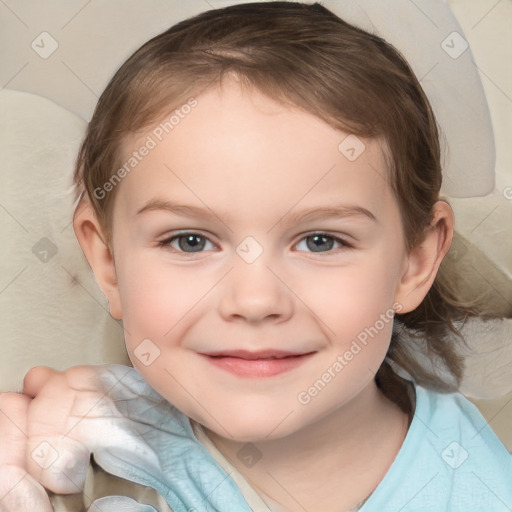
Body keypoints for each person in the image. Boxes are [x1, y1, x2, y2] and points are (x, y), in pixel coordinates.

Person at [1, 2, 511, 511]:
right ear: (108, 262)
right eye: (190, 241)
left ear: (414, 262)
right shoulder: (79, 441)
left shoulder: (483, 489)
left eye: (320, 241)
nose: (254, 300)